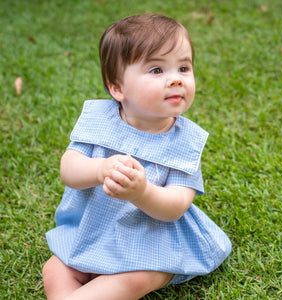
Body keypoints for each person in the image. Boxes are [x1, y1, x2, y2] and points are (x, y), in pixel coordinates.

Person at [42, 14, 231, 300]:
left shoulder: (185, 142)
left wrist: (141, 192)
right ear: (117, 88)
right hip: (94, 232)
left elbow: (176, 206)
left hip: (151, 242)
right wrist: (99, 169)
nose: (175, 80)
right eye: (157, 70)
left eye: (183, 67)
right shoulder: (99, 121)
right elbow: (69, 169)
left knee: (137, 278)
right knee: (55, 268)